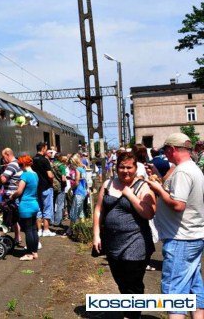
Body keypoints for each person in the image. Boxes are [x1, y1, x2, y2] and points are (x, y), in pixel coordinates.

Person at [146, 133, 204, 318]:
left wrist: (157, 189)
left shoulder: (182, 172)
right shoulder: (192, 168)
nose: (165, 154)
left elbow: (178, 205)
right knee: (194, 286)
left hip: (181, 239)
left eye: (165, 150)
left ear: (171, 149)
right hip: (192, 236)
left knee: (174, 291)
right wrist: (158, 178)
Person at [93, 151, 156, 319]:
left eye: (129, 167)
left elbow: (149, 213)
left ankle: (133, 315)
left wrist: (130, 195)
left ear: (135, 168)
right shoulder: (108, 184)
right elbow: (99, 210)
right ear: (116, 168)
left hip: (136, 242)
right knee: (120, 280)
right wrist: (96, 235)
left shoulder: (142, 186)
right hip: (113, 243)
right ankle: (129, 310)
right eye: (122, 167)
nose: (125, 171)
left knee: (133, 282)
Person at [9, 155, 40, 261]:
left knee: (28, 230)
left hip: (26, 205)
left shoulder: (25, 175)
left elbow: (19, 191)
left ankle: (29, 253)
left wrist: (12, 196)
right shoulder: (35, 174)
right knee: (33, 229)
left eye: (20, 165)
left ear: (23, 164)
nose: (19, 167)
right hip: (34, 204)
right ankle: (34, 252)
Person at [0, 147, 23, 245]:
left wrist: (2, 172)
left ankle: (19, 237)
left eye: (3, 157)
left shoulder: (12, 165)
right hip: (14, 194)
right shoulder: (17, 163)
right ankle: (17, 237)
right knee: (14, 218)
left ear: (8, 155)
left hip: (12, 195)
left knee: (15, 217)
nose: (3, 159)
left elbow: (3, 179)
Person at [32, 142, 56, 237]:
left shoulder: (33, 159)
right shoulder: (45, 160)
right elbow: (49, 175)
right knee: (47, 208)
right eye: (46, 148)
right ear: (43, 149)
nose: (47, 150)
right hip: (46, 186)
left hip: (36, 187)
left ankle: (39, 230)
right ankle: (46, 229)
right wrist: (52, 177)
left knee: (38, 209)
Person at [67, 154, 87, 235]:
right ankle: (83, 228)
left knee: (74, 211)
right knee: (81, 211)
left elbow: (77, 181)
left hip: (78, 192)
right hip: (83, 192)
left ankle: (71, 229)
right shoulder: (83, 169)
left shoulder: (77, 169)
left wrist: (71, 188)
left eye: (71, 162)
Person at [51, 154, 68, 227]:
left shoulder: (51, 164)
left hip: (52, 186)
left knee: (52, 203)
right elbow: (63, 179)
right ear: (60, 158)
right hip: (60, 186)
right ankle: (57, 222)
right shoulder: (62, 166)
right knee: (60, 204)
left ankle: (51, 220)